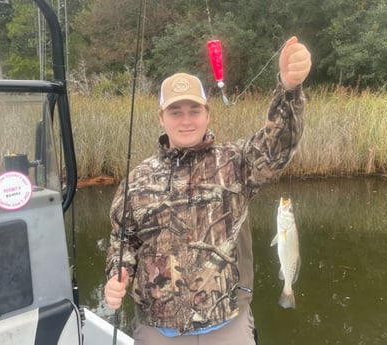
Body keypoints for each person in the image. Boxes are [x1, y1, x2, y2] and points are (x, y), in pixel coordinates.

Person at [104, 36, 311, 344]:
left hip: (228, 323)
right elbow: (123, 240)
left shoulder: (236, 162)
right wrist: (116, 273)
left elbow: (279, 147)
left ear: (207, 114)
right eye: (176, 112)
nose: (186, 120)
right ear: (161, 118)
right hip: (157, 328)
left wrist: (289, 89)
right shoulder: (137, 179)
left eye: (194, 110)